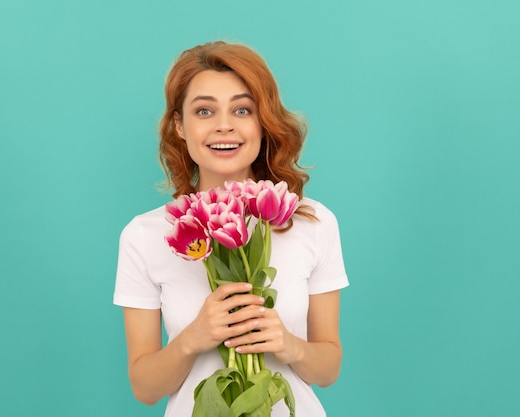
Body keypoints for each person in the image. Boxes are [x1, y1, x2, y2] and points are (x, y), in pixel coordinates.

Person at [113, 41, 349, 416]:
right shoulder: (145, 234)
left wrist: (288, 344)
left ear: (263, 121)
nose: (224, 125)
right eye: (204, 110)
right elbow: (144, 387)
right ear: (180, 125)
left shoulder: (310, 221)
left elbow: (329, 368)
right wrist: (193, 338)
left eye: (242, 109)